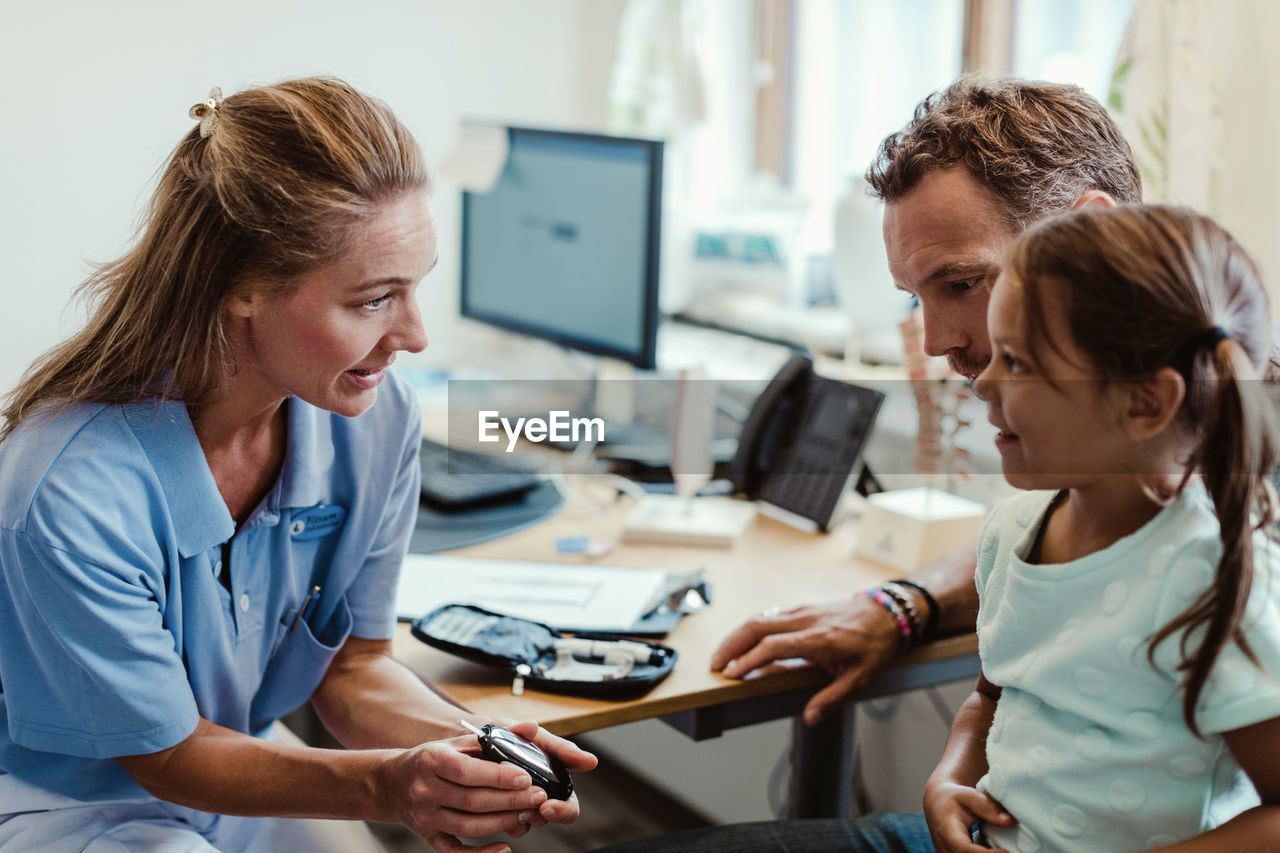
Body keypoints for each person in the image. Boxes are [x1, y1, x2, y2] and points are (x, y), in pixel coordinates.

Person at [0, 77, 595, 853]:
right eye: (374, 300)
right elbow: (168, 752)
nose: (413, 334)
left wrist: (466, 749)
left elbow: (354, 672)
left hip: (235, 770)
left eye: (415, 290)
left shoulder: (374, 422)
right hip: (69, 802)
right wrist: (388, 784)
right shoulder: (67, 491)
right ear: (241, 286)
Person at [712, 75, 1142, 727]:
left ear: (1091, 231)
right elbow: (1029, 530)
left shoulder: (1240, 465)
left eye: (964, 282)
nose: (938, 341)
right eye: (916, 298)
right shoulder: (1082, 434)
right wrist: (901, 603)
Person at [926, 203, 1280, 851]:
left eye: (1022, 363)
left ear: (1145, 403)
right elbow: (991, 698)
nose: (985, 383)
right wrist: (949, 779)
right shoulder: (1013, 530)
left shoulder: (1212, 573)